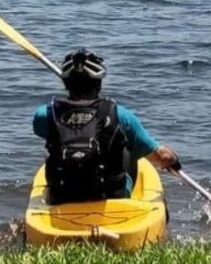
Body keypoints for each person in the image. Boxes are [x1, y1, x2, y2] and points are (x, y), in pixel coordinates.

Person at [33, 50, 180, 205]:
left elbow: (46, 130)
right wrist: (174, 161)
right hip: (110, 197)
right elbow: (162, 157)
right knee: (128, 149)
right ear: (99, 84)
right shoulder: (119, 115)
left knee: (53, 147)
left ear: (66, 83)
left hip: (63, 196)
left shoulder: (46, 114)